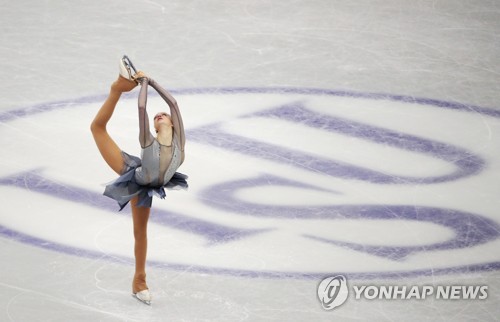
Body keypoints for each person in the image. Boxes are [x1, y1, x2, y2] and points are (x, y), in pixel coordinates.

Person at [90, 56, 187, 305]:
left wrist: (151, 81)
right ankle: (116, 89)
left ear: (174, 123)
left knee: (140, 233)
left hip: (152, 184)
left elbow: (173, 103)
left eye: (163, 115)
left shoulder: (180, 144)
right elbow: (143, 109)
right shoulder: (148, 142)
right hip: (133, 175)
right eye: (158, 118)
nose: (160, 115)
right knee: (97, 128)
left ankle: (138, 281)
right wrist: (143, 83)